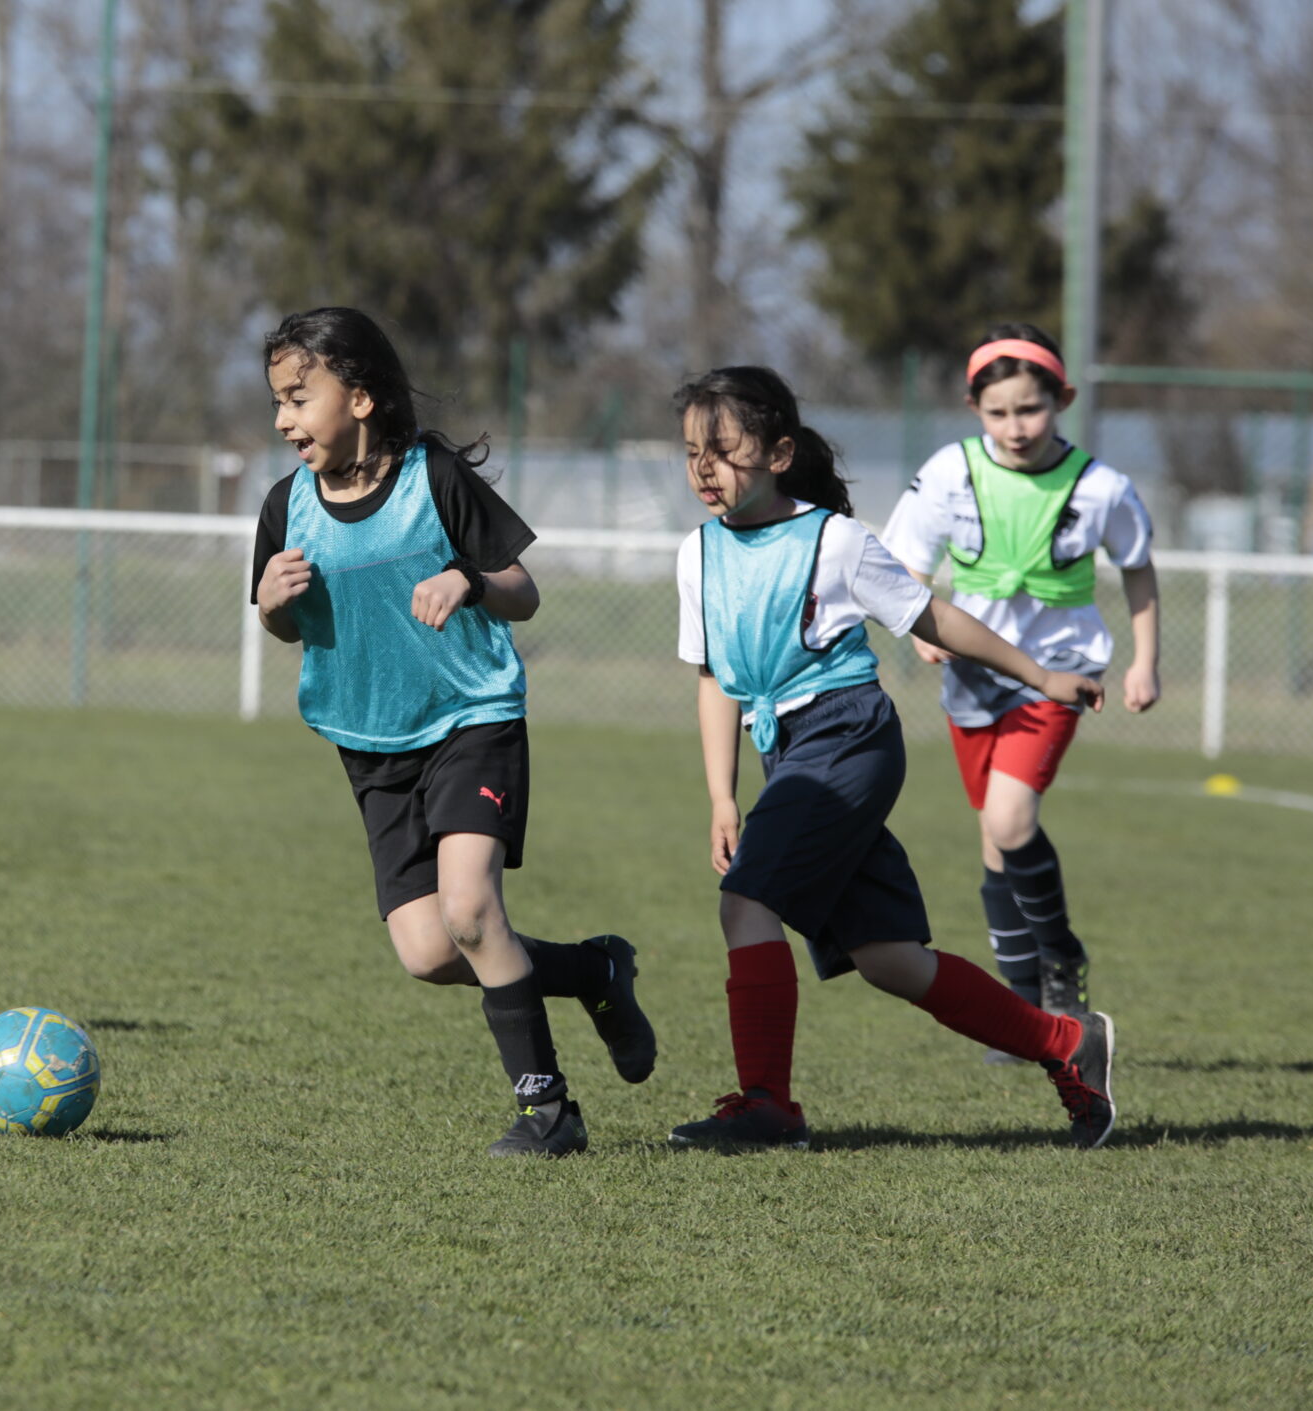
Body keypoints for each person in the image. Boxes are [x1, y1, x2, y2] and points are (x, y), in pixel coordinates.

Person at [668, 366, 1117, 1152]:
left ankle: (768, 1105)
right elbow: (715, 679)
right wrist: (721, 797)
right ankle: (1066, 1042)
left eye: (724, 449)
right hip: (789, 751)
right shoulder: (696, 553)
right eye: (690, 452)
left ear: (779, 454)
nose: (705, 468)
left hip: (846, 737)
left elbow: (934, 616)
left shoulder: (834, 541)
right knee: (889, 959)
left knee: (745, 901)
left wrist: (1043, 676)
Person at [252, 307, 652, 1157]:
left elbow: (522, 591)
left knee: (471, 910)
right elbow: (286, 627)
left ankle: (550, 1111)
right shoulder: (286, 506)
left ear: (360, 398)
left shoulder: (432, 478)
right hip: (371, 743)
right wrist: (271, 606)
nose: (283, 418)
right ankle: (594, 970)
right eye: (278, 401)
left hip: (472, 718)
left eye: (298, 397)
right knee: (432, 951)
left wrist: (469, 579)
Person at [880, 324, 1159, 1045]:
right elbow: (907, 562)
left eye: (1030, 408)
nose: (1015, 426)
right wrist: (920, 627)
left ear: (1062, 399)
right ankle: (1024, 1012)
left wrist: (1144, 660)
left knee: (1009, 821)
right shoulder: (949, 471)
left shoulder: (1100, 487)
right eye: (998, 412)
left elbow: (1137, 567)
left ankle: (1061, 952)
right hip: (973, 671)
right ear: (974, 408)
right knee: (994, 838)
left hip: (1060, 673)